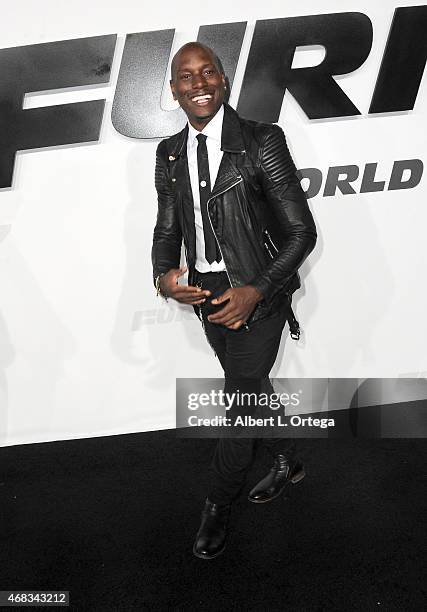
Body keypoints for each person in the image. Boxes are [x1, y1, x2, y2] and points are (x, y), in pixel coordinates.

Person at [152, 42, 317, 559]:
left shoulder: (262, 141)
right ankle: (291, 457)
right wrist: (163, 277)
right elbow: (166, 227)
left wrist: (258, 290)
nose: (198, 84)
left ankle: (217, 504)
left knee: (240, 405)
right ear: (174, 88)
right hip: (206, 296)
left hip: (258, 295)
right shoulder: (169, 153)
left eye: (207, 74)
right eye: (186, 77)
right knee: (252, 387)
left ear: (222, 80)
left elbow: (301, 232)